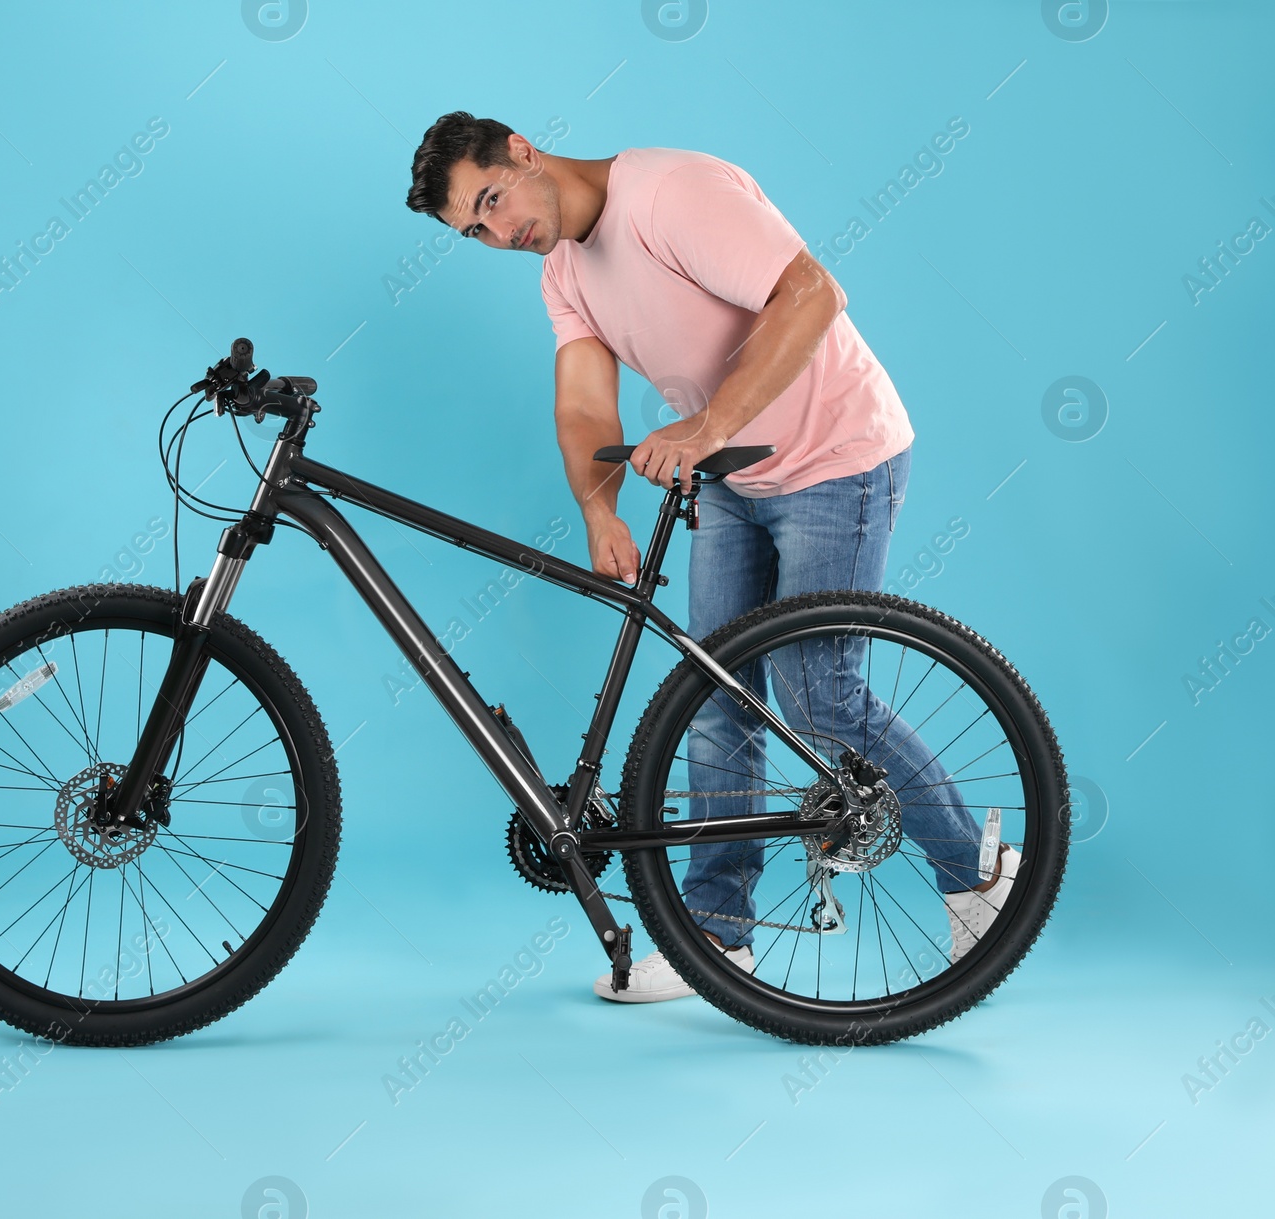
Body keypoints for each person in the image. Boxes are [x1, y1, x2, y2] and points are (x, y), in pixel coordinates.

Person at [405, 113, 1017, 1002]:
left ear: (525, 153)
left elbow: (810, 292)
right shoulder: (564, 269)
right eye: (475, 232)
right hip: (731, 475)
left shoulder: (669, 192)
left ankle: (978, 874)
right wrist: (596, 504)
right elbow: (583, 399)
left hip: (833, 454)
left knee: (819, 691)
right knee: (714, 699)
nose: (500, 234)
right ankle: (718, 938)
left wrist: (704, 424)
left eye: (492, 200)